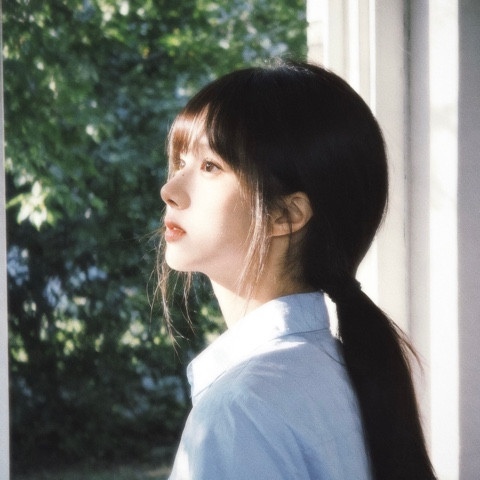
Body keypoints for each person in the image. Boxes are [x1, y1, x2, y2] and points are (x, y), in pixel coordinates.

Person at [159, 61, 436, 479]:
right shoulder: (342, 373)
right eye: (180, 161)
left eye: (210, 166)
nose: (170, 190)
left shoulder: (240, 412)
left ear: (286, 215)